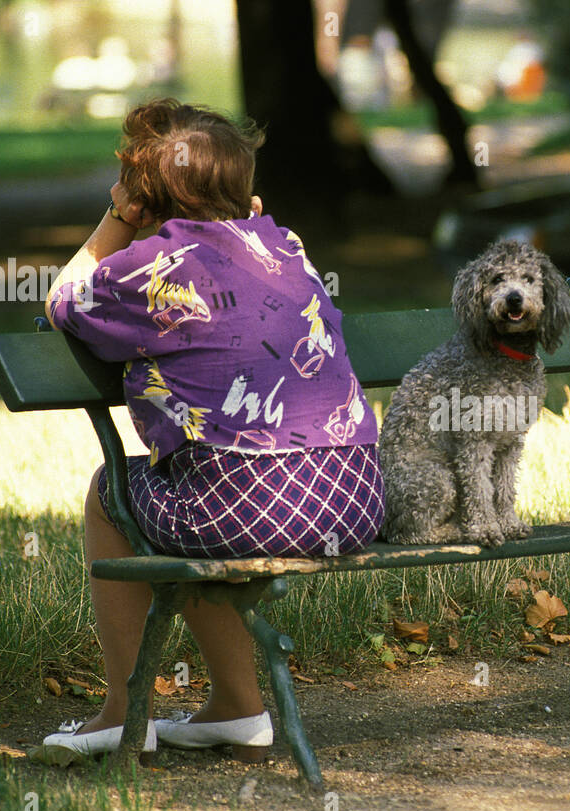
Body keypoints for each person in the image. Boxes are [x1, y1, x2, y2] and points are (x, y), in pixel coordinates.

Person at [38, 99, 384, 761]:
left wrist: (116, 219)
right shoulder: (286, 247)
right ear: (243, 189)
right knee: (197, 488)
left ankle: (121, 713)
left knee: (116, 492)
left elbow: (62, 300)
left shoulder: (152, 270)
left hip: (249, 504)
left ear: (143, 202)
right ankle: (236, 708)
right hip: (357, 494)